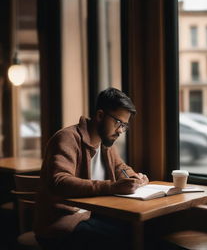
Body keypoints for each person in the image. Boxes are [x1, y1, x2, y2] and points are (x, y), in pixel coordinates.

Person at [33, 87, 149, 250]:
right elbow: (59, 182)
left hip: (90, 215)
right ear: (100, 115)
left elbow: (121, 168)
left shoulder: (106, 144)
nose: (121, 131)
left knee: (142, 229)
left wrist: (134, 178)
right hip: (60, 223)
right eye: (118, 122)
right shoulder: (67, 138)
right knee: (120, 236)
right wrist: (112, 187)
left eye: (124, 125)